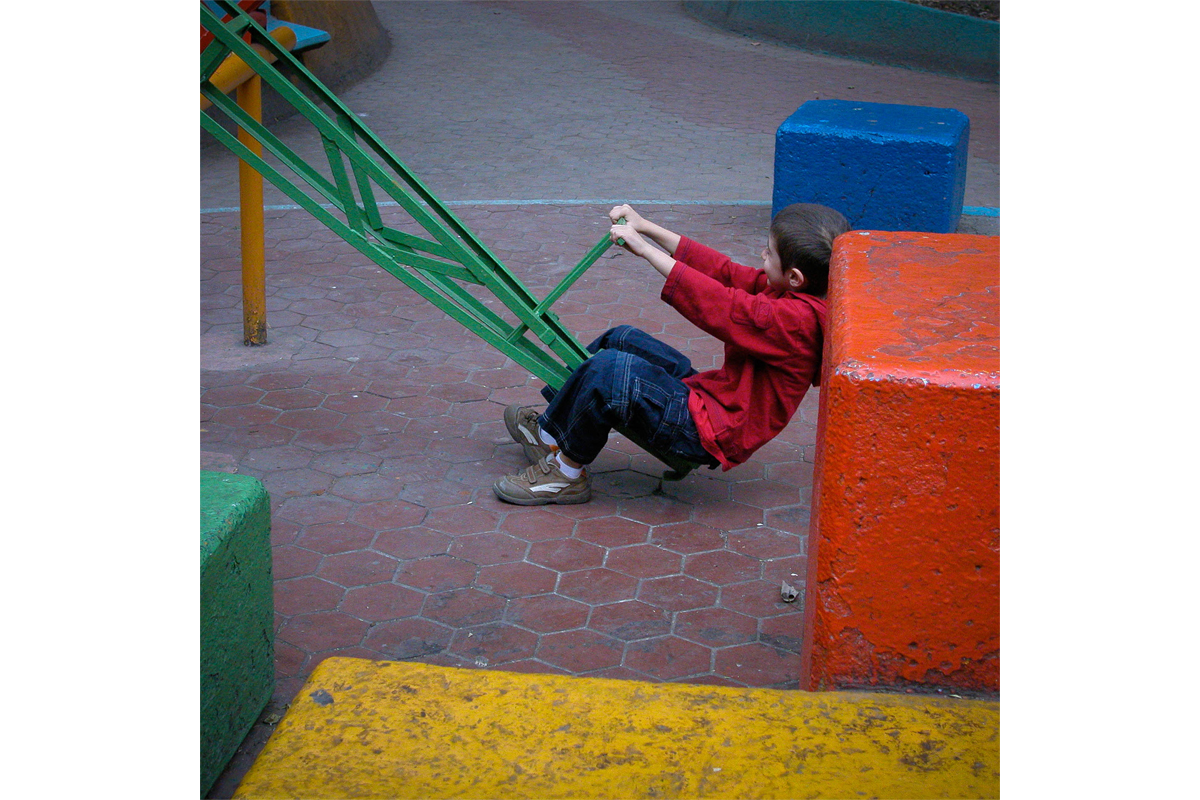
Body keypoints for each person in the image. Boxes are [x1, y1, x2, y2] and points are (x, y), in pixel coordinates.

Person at [492, 202, 850, 505]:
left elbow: (724, 305)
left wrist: (647, 251)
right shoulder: (791, 293)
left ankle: (566, 475)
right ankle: (550, 435)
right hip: (711, 398)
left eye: (769, 252)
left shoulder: (796, 322)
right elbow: (724, 273)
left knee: (610, 371)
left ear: (795, 277)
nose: (762, 255)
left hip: (709, 431)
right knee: (622, 339)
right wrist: (646, 227)